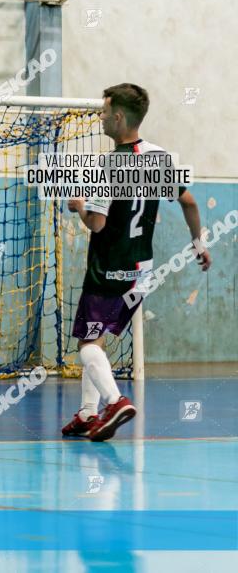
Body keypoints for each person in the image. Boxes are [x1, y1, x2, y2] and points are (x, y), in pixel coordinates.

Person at [62, 83, 211, 441]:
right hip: (141, 273)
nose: (99, 118)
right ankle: (87, 413)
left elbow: (96, 224)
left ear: (118, 117)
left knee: (86, 343)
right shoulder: (159, 157)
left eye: (103, 112)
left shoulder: (110, 166)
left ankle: (115, 402)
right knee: (96, 340)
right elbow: (189, 202)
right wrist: (198, 243)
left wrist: (79, 205)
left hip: (107, 270)